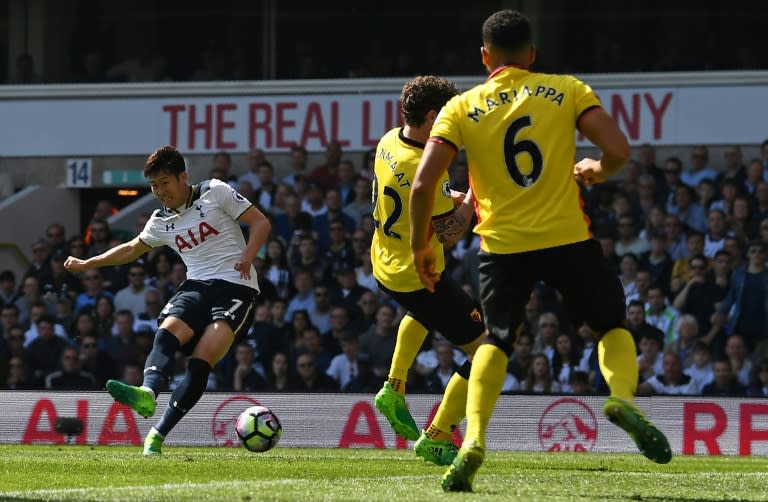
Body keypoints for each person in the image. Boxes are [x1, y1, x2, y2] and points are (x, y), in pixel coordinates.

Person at [408, 10, 671, 491]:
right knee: (611, 324)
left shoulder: (461, 107)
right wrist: (597, 168)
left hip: (503, 246)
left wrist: (421, 246)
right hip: (568, 236)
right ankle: (621, 400)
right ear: (532, 53)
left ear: (484, 56)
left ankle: (474, 441)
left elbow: (424, 184)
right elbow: (619, 149)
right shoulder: (567, 89)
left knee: (497, 340)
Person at [64, 145, 271, 456]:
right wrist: (88, 263)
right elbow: (132, 249)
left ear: (183, 177)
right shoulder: (160, 220)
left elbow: (261, 223)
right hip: (196, 286)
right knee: (166, 332)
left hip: (235, 287)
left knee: (200, 362)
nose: (160, 191)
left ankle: (157, 435)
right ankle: (147, 393)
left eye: (164, 182)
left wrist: (247, 257)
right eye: (154, 185)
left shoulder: (214, 192)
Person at [369, 75, 487, 468]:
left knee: (420, 313)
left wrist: (453, 195)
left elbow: (420, 193)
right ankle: (437, 436)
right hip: (417, 274)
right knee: (484, 351)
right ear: (433, 115)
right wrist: (473, 196)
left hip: (384, 261)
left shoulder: (389, 141)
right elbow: (449, 231)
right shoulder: (425, 164)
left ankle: (393, 387)